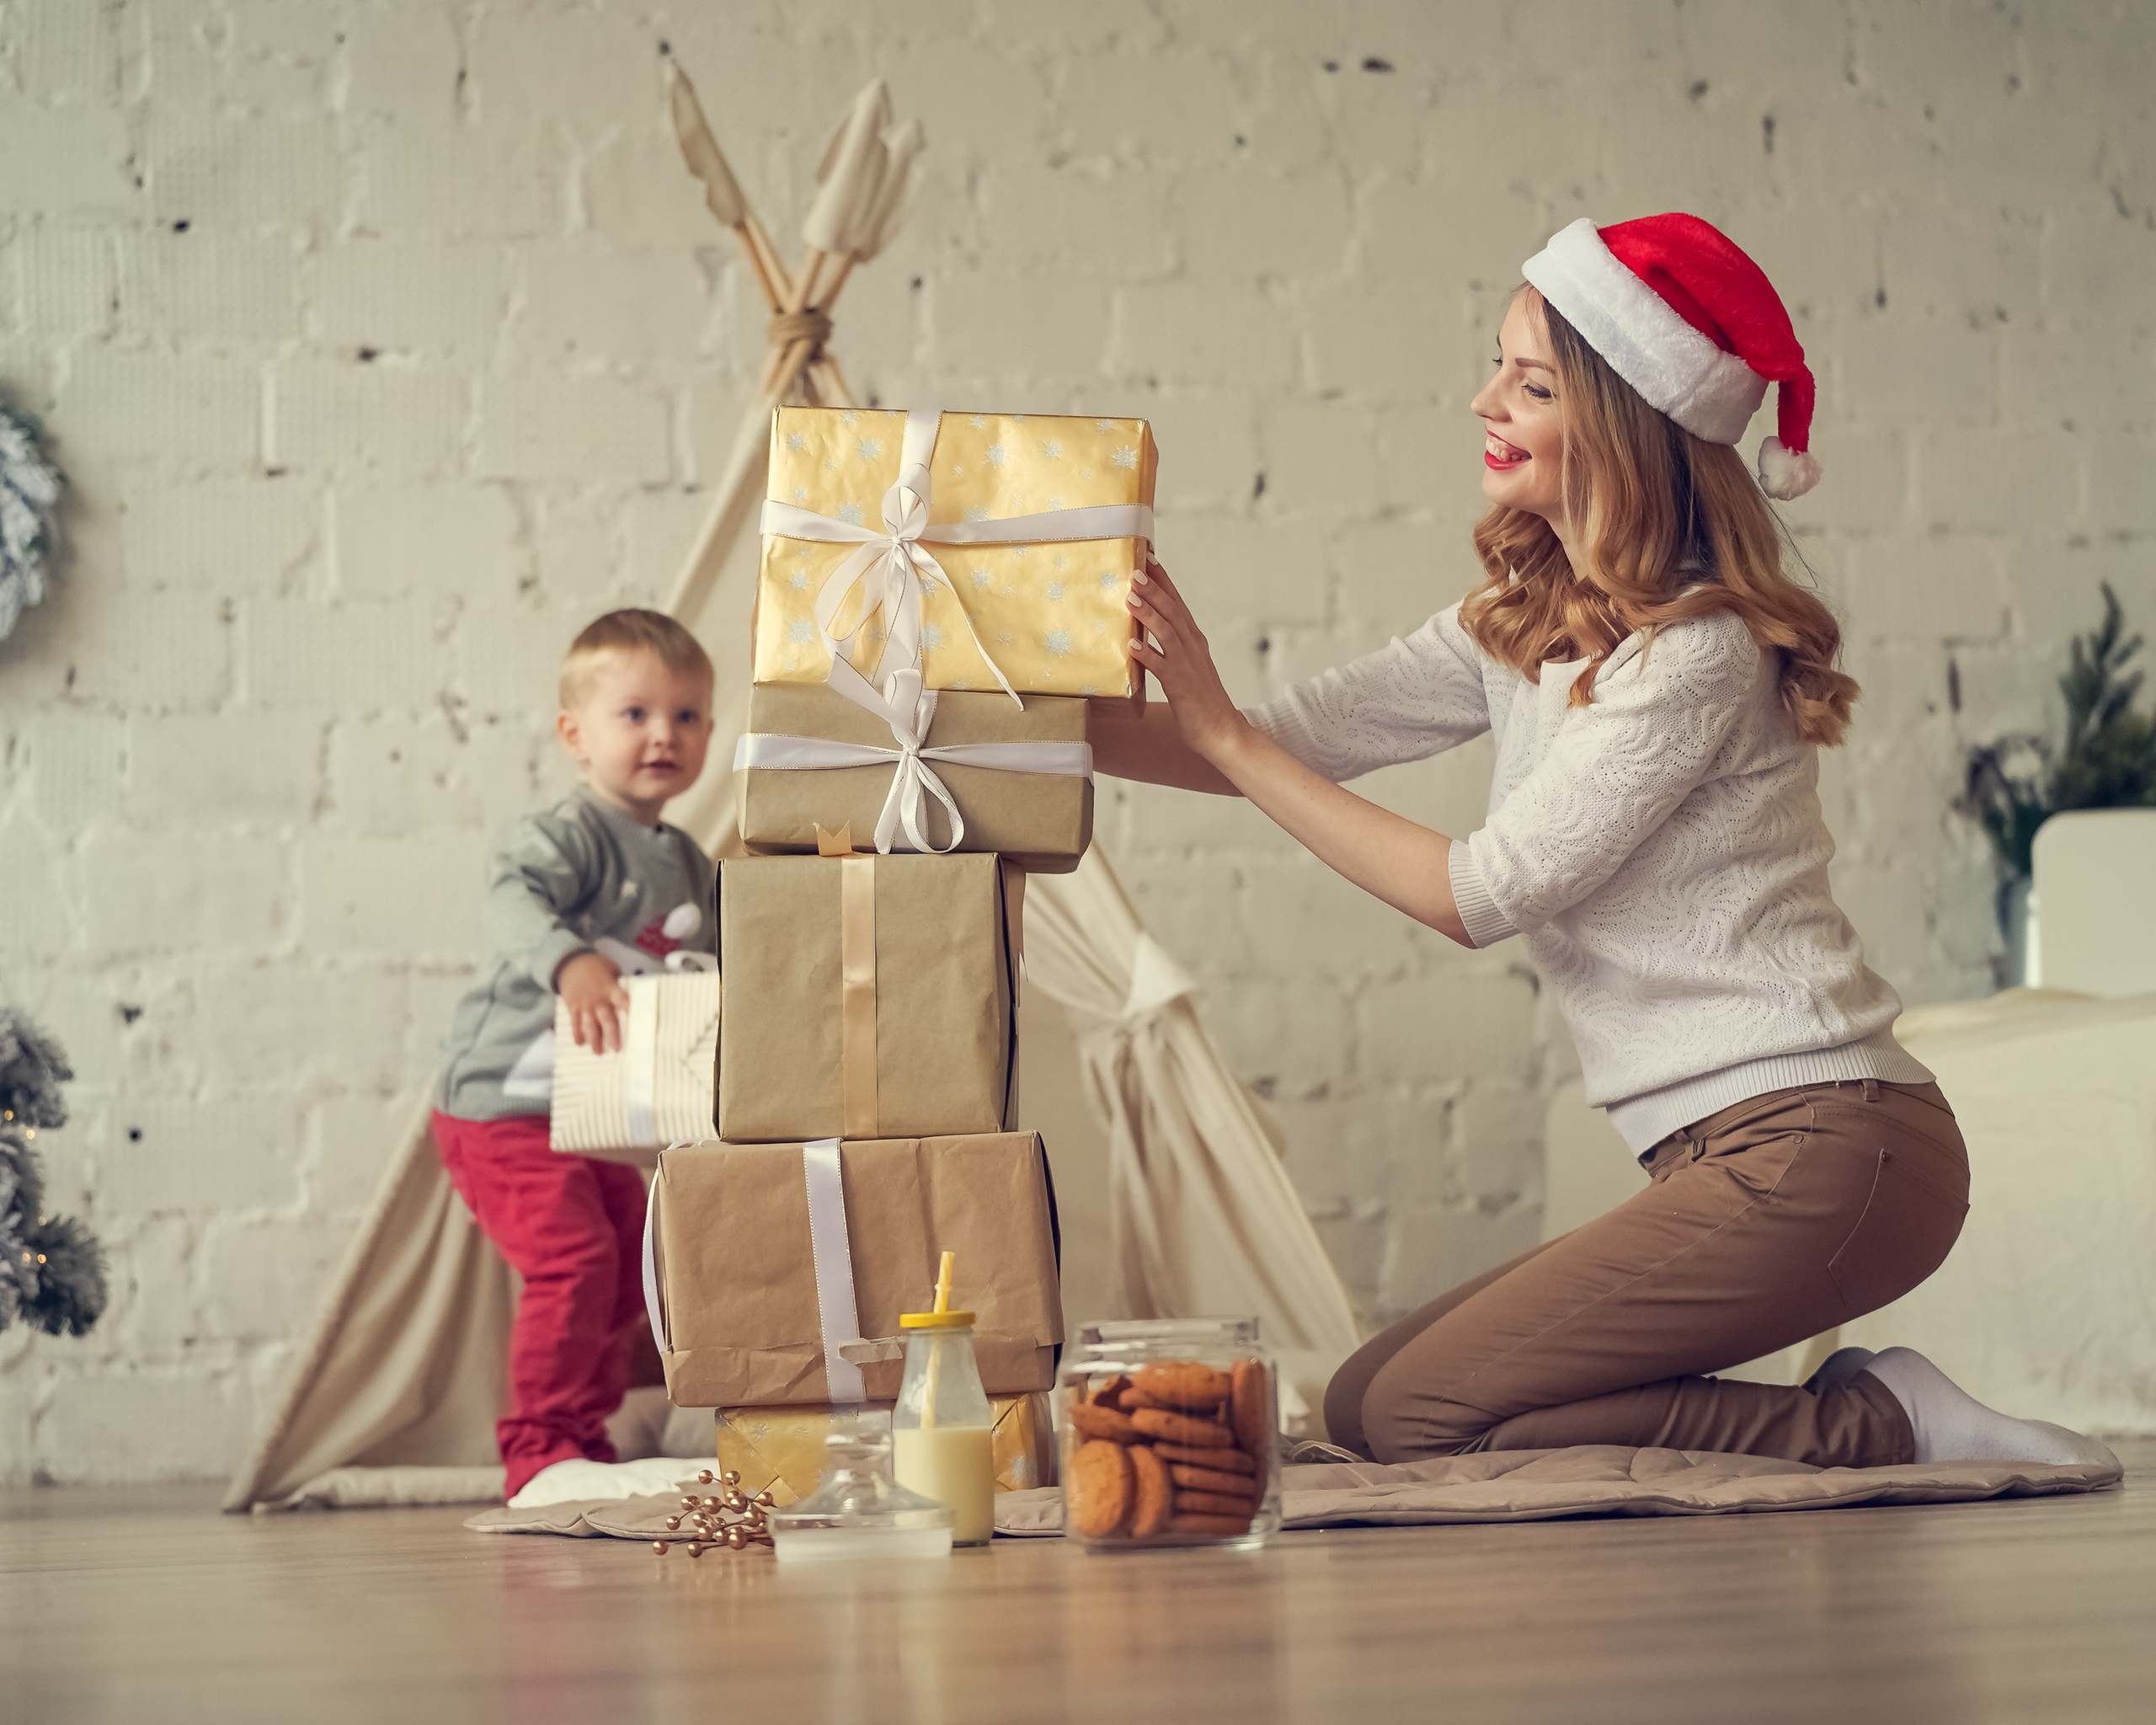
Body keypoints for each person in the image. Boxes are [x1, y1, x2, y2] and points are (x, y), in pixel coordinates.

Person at [1093, 213, 2112, 1472]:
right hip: (1725, 1154)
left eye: (1531, 384)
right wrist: (1004, 727)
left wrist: (1226, 737)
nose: (1486, 401)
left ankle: (1880, 1422)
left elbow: (1477, 892)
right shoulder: (1523, 623)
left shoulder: (1697, 652)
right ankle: (1865, 1410)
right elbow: (1276, 737)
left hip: (1833, 1146)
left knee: (1420, 1417)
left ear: (1626, 424)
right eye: (1498, 367)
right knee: (1361, 1405)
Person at [431, 608, 717, 1502]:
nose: (663, 734)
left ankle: (586, 1433)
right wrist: (571, 961)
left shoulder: (689, 863)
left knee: (630, 1258)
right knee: (576, 1257)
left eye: (687, 716)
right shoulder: (569, 834)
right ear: (575, 735)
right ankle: (540, 1447)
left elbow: (727, 954)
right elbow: (510, 895)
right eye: (635, 714)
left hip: (589, 1111)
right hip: (503, 1103)